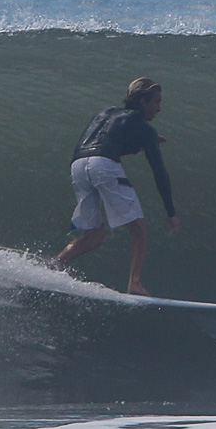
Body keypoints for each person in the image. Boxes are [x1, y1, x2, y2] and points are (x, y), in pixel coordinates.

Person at [49, 77, 181, 295]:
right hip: (104, 165)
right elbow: (159, 171)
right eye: (156, 102)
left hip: (78, 165)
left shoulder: (105, 113)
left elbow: (105, 143)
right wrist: (171, 213)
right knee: (138, 228)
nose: (159, 108)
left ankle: (54, 266)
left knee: (93, 236)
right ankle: (135, 283)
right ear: (143, 101)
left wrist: (141, 142)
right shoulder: (145, 129)